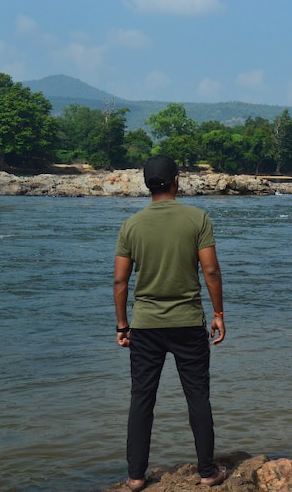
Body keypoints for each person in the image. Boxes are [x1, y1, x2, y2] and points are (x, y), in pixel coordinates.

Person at [113, 156, 227, 492]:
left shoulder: (131, 225)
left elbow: (120, 282)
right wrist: (218, 314)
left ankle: (136, 477)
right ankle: (207, 472)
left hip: (145, 325)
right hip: (188, 323)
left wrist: (123, 326)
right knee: (197, 398)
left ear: (146, 184)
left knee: (141, 399)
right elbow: (211, 271)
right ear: (176, 181)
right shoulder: (197, 219)